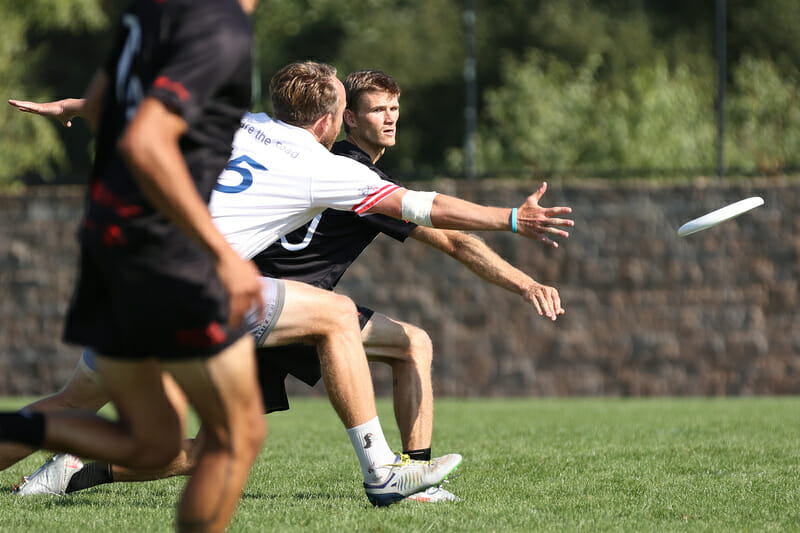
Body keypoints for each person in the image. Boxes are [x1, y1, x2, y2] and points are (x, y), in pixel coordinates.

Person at [5, 61, 574, 506]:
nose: (387, 117)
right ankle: (385, 476)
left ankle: (74, 465)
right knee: (334, 315)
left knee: (71, 407)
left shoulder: (239, 122)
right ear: (333, 120)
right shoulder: (327, 168)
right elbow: (424, 209)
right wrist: (511, 219)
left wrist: (73, 106)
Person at [0, 1, 267, 532]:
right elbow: (147, 142)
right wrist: (221, 255)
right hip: (161, 248)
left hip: (112, 239)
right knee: (237, 433)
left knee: (154, 442)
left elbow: (110, 100)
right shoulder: (222, 28)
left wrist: (75, 107)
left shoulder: (151, 15)